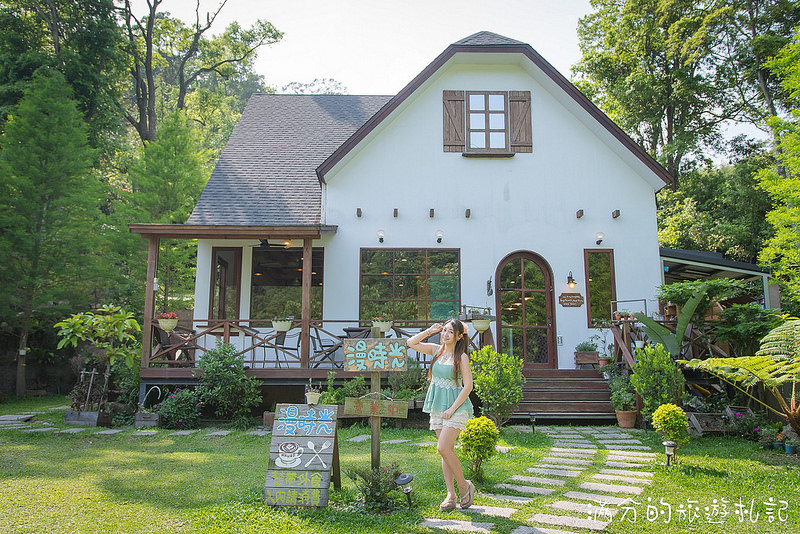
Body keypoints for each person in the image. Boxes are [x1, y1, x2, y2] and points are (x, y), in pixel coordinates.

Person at [408, 319, 476, 511]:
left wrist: (452, 409)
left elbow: (468, 386)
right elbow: (411, 343)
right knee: (447, 451)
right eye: (444, 331)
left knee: (443, 448)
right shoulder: (436, 350)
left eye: (449, 332)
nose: (444, 334)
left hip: (456, 407)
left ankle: (464, 486)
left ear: (458, 336)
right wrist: (429, 330)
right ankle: (451, 495)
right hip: (438, 406)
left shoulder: (461, 356)